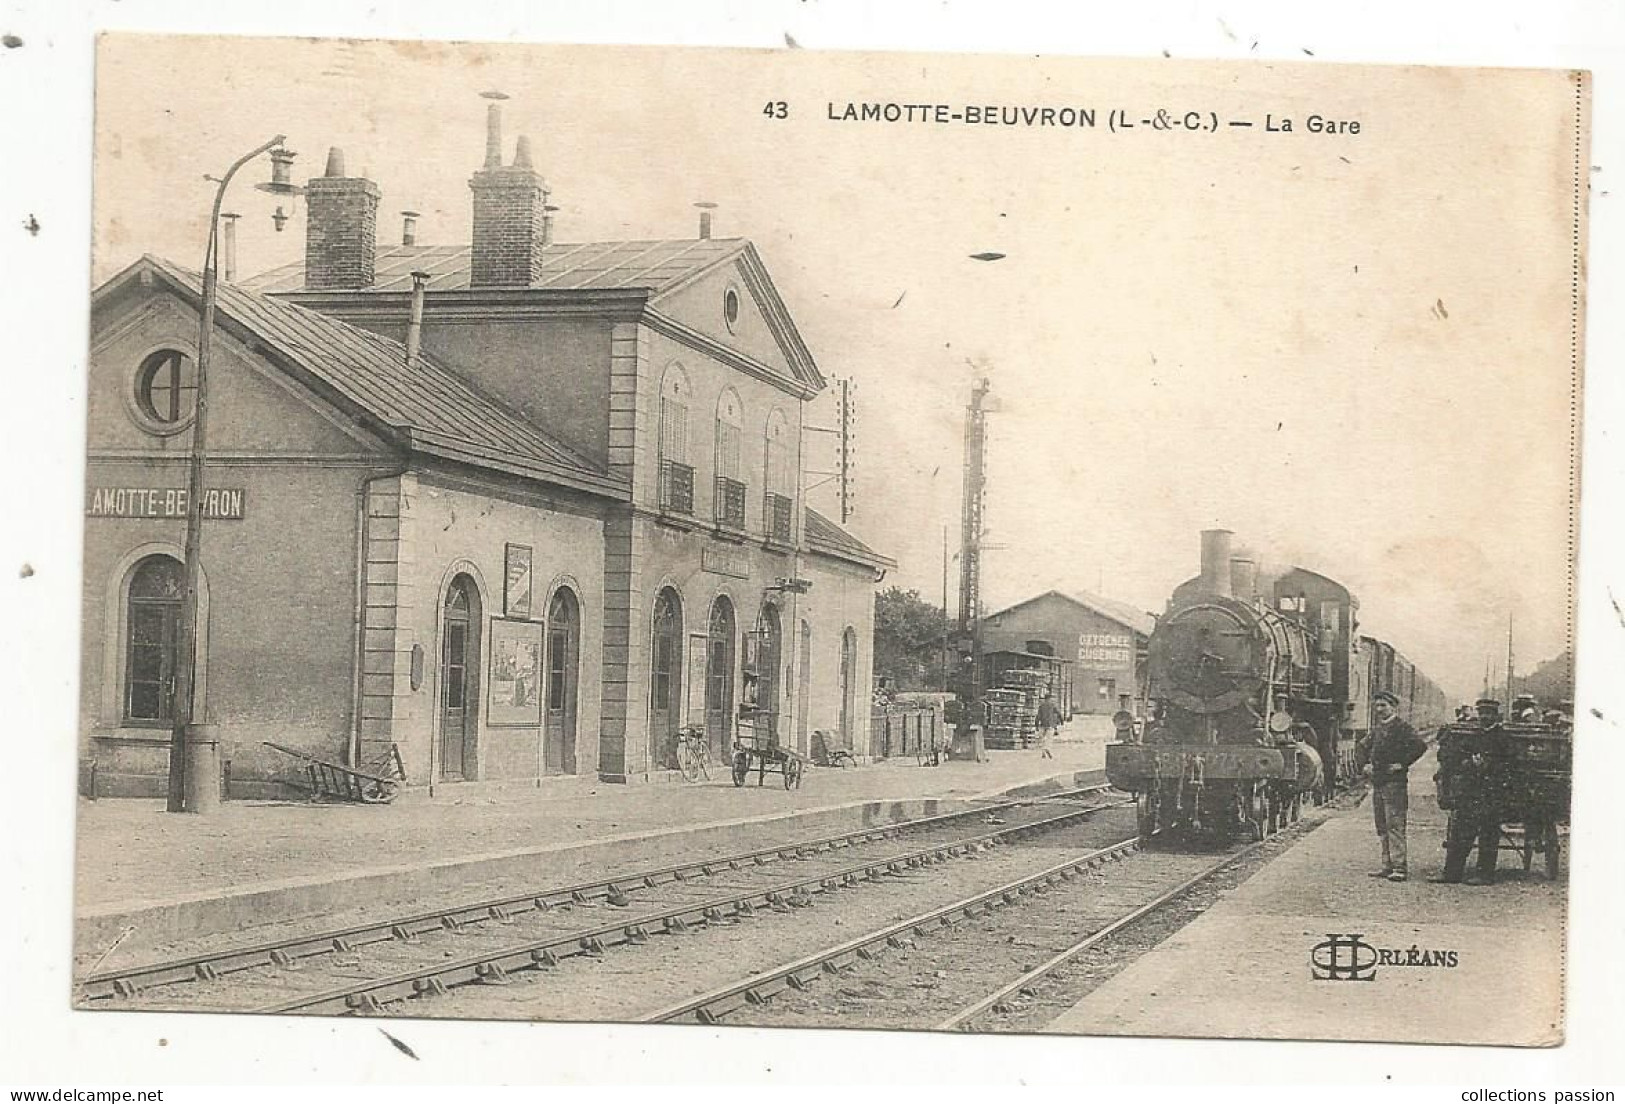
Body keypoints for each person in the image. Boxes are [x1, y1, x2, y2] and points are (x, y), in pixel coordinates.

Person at [1431, 698, 1506, 885]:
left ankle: (1485, 875)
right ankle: (1452, 874)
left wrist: (1488, 765)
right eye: (1482, 713)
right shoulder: (1474, 734)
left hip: (1492, 791)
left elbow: (1508, 763)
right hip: (1471, 791)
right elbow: (1458, 756)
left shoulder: (1503, 737)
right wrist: (1468, 762)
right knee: (1460, 832)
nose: (1485, 717)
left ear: (1496, 716)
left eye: (1489, 713)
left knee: (1488, 833)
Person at [1361, 689, 1429, 882]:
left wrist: (1403, 763)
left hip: (1394, 783)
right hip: (1379, 782)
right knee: (1382, 825)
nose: (1379, 709)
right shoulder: (1378, 729)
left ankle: (1399, 867)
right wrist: (1366, 763)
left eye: (1383, 705)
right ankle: (1386, 865)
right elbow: (1363, 746)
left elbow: (1420, 746)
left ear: (1393, 707)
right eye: (1377, 705)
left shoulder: (1402, 727)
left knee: (1395, 824)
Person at [1035, 693, 1060, 759]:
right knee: (1049, 738)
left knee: (1042, 739)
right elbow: (1058, 713)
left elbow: (1038, 716)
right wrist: (1061, 721)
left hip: (1043, 724)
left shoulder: (1041, 706)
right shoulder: (1052, 705)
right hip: (1050, 724)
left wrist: (1036, 725)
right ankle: (1047, 748)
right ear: (1049, 698)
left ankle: (1043, 752)